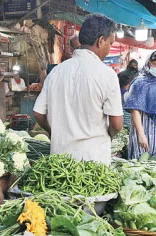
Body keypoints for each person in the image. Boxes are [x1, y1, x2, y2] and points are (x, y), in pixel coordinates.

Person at [33, 14, 122, 164]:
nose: (109, 49)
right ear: (101, 41)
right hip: (94, 161)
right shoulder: (107, 75)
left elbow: (38, 112)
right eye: (110, 43)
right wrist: (109, 135)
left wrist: (53, 132)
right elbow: (117, 124)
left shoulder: (56, 72)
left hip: (60, 161)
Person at [124, 50, 156, 159]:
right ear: (149, 63)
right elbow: (134, 110)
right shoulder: (139, 82)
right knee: (139, 163)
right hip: (142, 129)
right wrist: (141, 135)